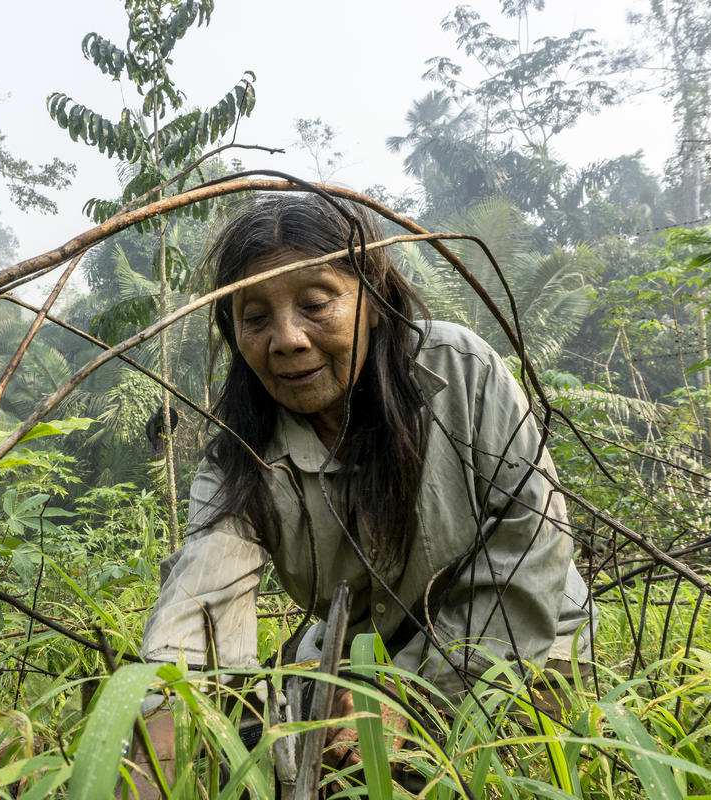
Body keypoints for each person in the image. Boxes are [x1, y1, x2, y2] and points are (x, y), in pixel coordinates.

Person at [131, 192, 592, 793]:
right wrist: (164, 712)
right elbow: (203, 591)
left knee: (438, 773)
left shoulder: (461, 372)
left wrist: (412, 695)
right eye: (255, 317)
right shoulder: (241, 450)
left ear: (372, 300)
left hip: (521, 644)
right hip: (355, 659)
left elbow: (529, 554)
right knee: (257, 757)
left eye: (316, 303)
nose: (288, 339)